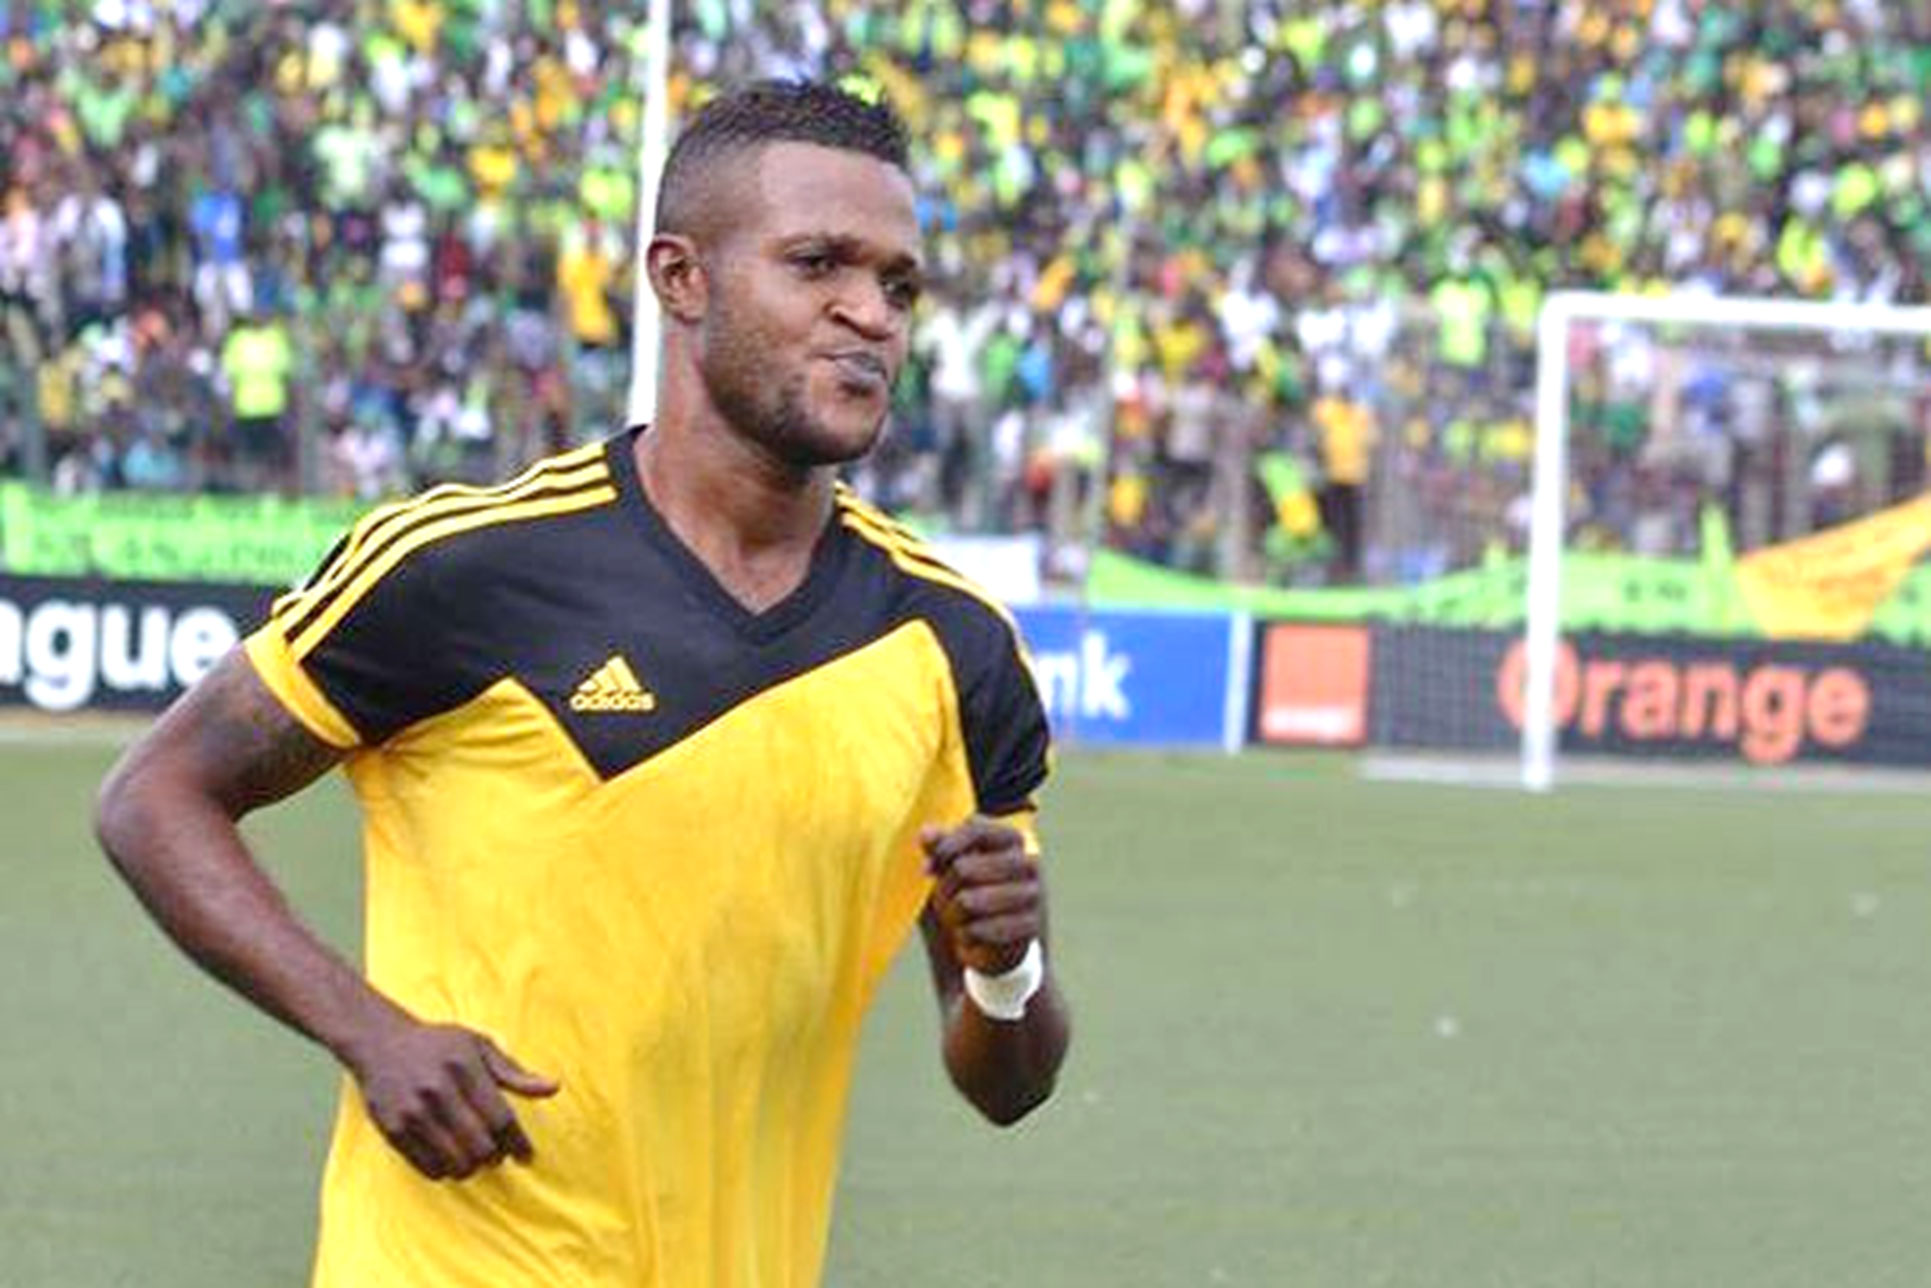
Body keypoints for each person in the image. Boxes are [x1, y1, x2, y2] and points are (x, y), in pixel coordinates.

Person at [94, 80, 1070, 1288]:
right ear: (680, 278)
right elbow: (154, 795)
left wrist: (1006, 967)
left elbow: (1006, 1081)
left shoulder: (952, 643)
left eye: (899, 285)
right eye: (817, 263)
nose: (868, 313)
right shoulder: (468, 567)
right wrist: (370, 1032)